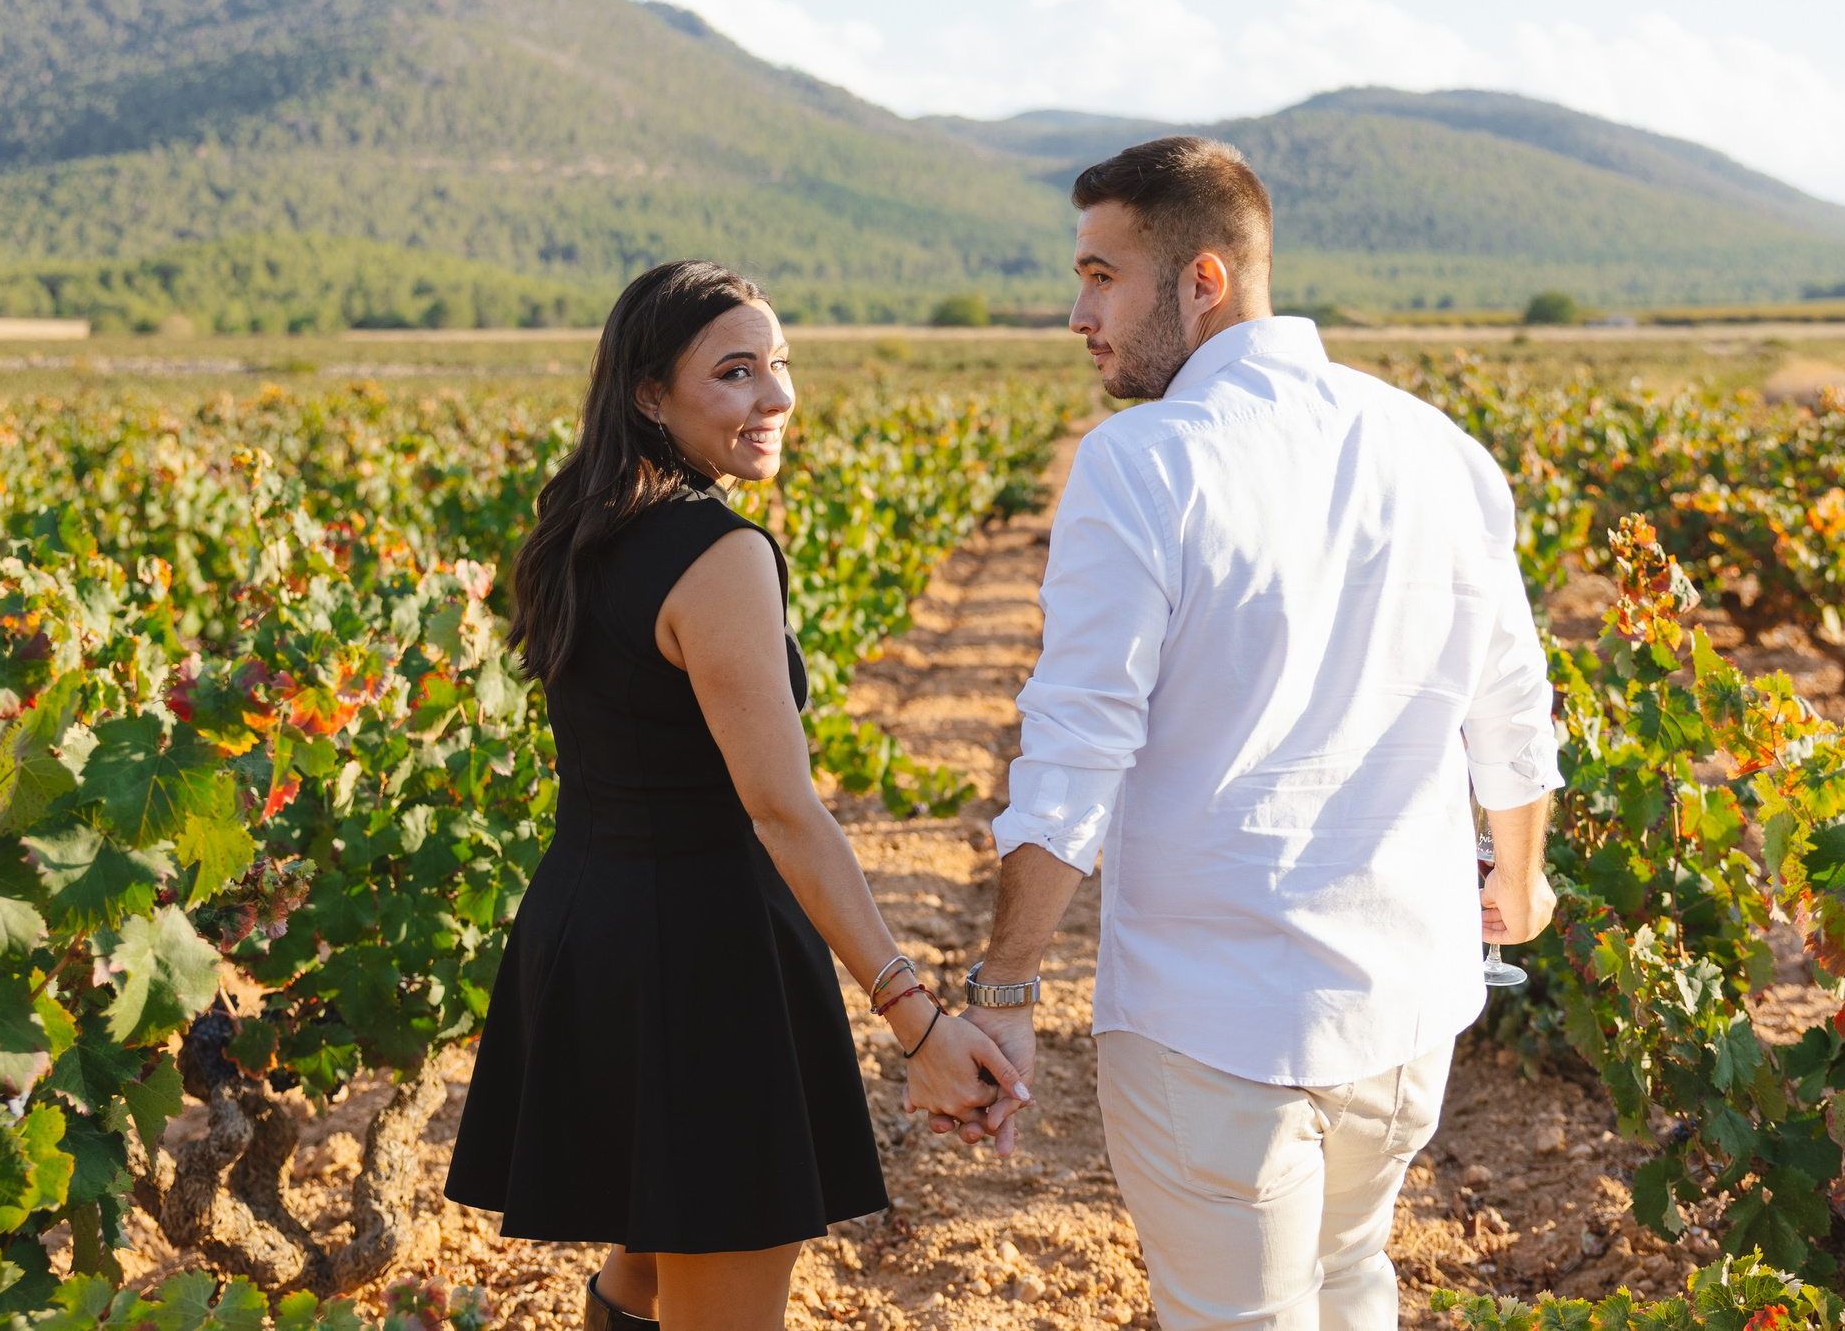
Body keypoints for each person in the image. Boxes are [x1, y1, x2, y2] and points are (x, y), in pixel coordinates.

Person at [948, 139, 1562, 1331]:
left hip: (1213, 1021)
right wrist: (1521, 874)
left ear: (1204, 281)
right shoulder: (1439, 447)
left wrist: (1006, 983)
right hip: (1404, 1003)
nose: (1078, 315)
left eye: (1101, 277)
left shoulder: (1140, 464)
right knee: (1352, 1276)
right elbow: (1510, 696)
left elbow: (1075, 750)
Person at [443, 260, 1025, 1331]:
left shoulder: (585, 531)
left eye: (781, 364)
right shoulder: (717, 556)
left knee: (651, 1253)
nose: (775, 395)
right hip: (702, 961)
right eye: (736, 371)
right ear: (649, 394)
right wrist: (917, 1020)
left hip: (594, 930)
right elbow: (783, 811)